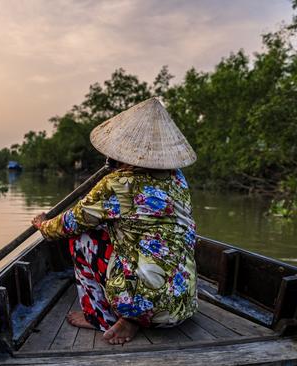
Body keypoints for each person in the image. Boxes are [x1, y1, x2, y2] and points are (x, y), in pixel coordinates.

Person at [32, 97, 198, 345]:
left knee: (81, 237)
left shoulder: (116, 184)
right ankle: (132, 316)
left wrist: (44, 223)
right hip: (182, 305)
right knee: (117, 230)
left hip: (147, 308)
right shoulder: (178, 179)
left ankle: (100, 317)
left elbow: (68, 224)